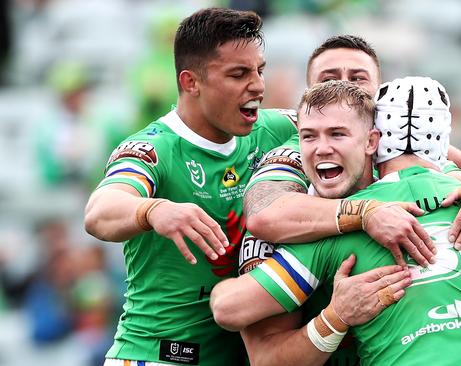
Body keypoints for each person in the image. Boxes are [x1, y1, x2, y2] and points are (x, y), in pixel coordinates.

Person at [212, 79, 461, 365]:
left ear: (372, 139)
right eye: (309, 136)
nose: (323, 147)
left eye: (338, 133)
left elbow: (227, 307)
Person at [84, 8, 300, 365]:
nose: (258, 86)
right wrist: (153, 210)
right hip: (155, 357)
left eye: (260, 71)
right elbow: (99, 212)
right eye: (238, 74)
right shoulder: (154, 149)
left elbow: (345, 124)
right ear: (190, 82)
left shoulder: (274, 130)